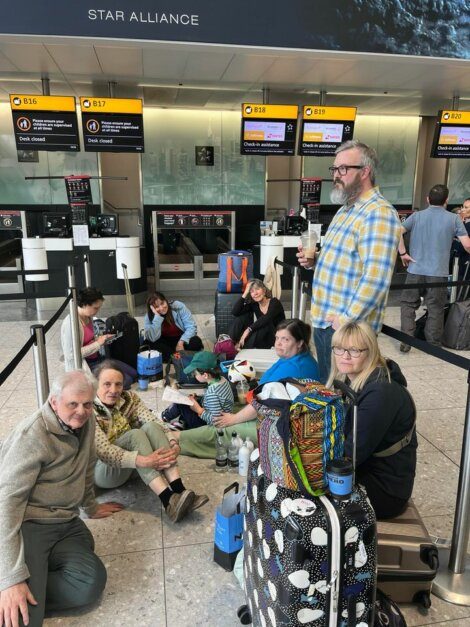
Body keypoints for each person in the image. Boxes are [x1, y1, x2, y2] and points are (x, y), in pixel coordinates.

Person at [0, 371, 124, 627]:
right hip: (29, 523)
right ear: (54, 402)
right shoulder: (32, 436)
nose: (81, 411)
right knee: (22, 618)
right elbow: (7, 505)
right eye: (73, 404)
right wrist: (11, 579)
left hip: (65, 522)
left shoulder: (86, 422)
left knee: (90, 583)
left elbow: (87, 467)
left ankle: (31, 589)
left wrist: (90, 506)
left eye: (87, 404)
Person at [297, 139, 402, 383]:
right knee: (330, 390)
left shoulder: (378, 213)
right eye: (334, 169)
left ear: (365, 172)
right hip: (327, 322)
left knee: (343, 396)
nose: (336, 175)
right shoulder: (346, 209)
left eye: (343, 169)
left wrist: (345, 319)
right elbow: (347, 259)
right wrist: (315, 261)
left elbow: (376, 278)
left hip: (347, 331)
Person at [171, 319, 319, 457]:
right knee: (225, 411)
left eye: (285, 339)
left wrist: (234, 419)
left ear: (299, 343)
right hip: (272, 411)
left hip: (281, 426)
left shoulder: (295, 367)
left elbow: (262, 403)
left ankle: (177, 439)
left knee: (222, 427)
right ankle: (186, 434)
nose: (278, 343)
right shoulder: (293, 357)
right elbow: (269, 388)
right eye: (277, 338)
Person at [93, 360, 208, 522]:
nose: (113, 390)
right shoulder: (89, 409)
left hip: (133, 466)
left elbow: (153, 421)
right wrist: (143, 460)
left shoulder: (129, 398)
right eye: (107, 384)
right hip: (104, 471)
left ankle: (180, 490)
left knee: (152, 426)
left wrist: (173, 442)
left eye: (118, 384)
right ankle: (167, 500)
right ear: (95, 385)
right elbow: (105, 452)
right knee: (135, 435)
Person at [327, 321, 417, 519]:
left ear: (370, 351)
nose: (345, 356)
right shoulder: (364, 379)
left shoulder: (379, 393)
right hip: (370, 472)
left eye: (354, 350)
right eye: (339, 349)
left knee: (301, 500)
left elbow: (350, 454)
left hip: (385, 491)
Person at [399, 185, 470, 351]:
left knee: (408, 304)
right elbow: (467, 245)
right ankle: (433, 345)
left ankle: (406, 341)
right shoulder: (453, 219)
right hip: (438, 273)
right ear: (446, 201)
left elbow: (397, 233)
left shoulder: (416, 216)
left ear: (427, 199)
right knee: (436, 308)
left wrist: (403, 253)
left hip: (414, 270)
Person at [61, 287, 137, 389]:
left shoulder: (88, 316)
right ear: (84, 305)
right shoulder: (71, 324)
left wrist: (101, 339)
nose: (97, 311)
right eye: (95, 308)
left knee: (134, 373)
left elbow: (88, 340)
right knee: (126, 381)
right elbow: (71, 355)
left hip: (97, 359)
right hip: (86, 365)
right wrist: (98, 343)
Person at [161, 351, 234, 430]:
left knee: (181, 404)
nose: (194, 375)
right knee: (189, 401)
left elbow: (216, 421)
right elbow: (216, 400)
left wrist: (199, 410)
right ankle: (183, 422)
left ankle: (164, 417)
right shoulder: (222, 380)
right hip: (212, 410)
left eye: (195, 373)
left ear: (205, 375)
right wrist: (198, 398)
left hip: (205, 424)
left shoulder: (212, 393)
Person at [143, 292, 204, 361]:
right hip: (165, 342)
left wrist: (181, 342)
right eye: (157, 307)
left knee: (195, 341)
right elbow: (152, 338)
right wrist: (157, 317)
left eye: (162, 303)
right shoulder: (148, 317)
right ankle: (178, 358)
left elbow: (191, 326)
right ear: (152, 309)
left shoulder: (178, 307)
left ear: (166, 300)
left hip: (182, 339)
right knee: (147, 343)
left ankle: (174, 357)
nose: (161, 308)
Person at [229, 279, 285, 349]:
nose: (255, 293)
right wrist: (245, 293)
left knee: (263, 325)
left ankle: (241, 347)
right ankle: (229, 345)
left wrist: (248, 329)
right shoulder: (254, 304)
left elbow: (267, 318)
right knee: (240, 319)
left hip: (277, 336)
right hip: (263, 336)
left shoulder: (274, 302)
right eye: (252, 291)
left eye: (257, 289)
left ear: (264, 290)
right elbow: (235, 312)